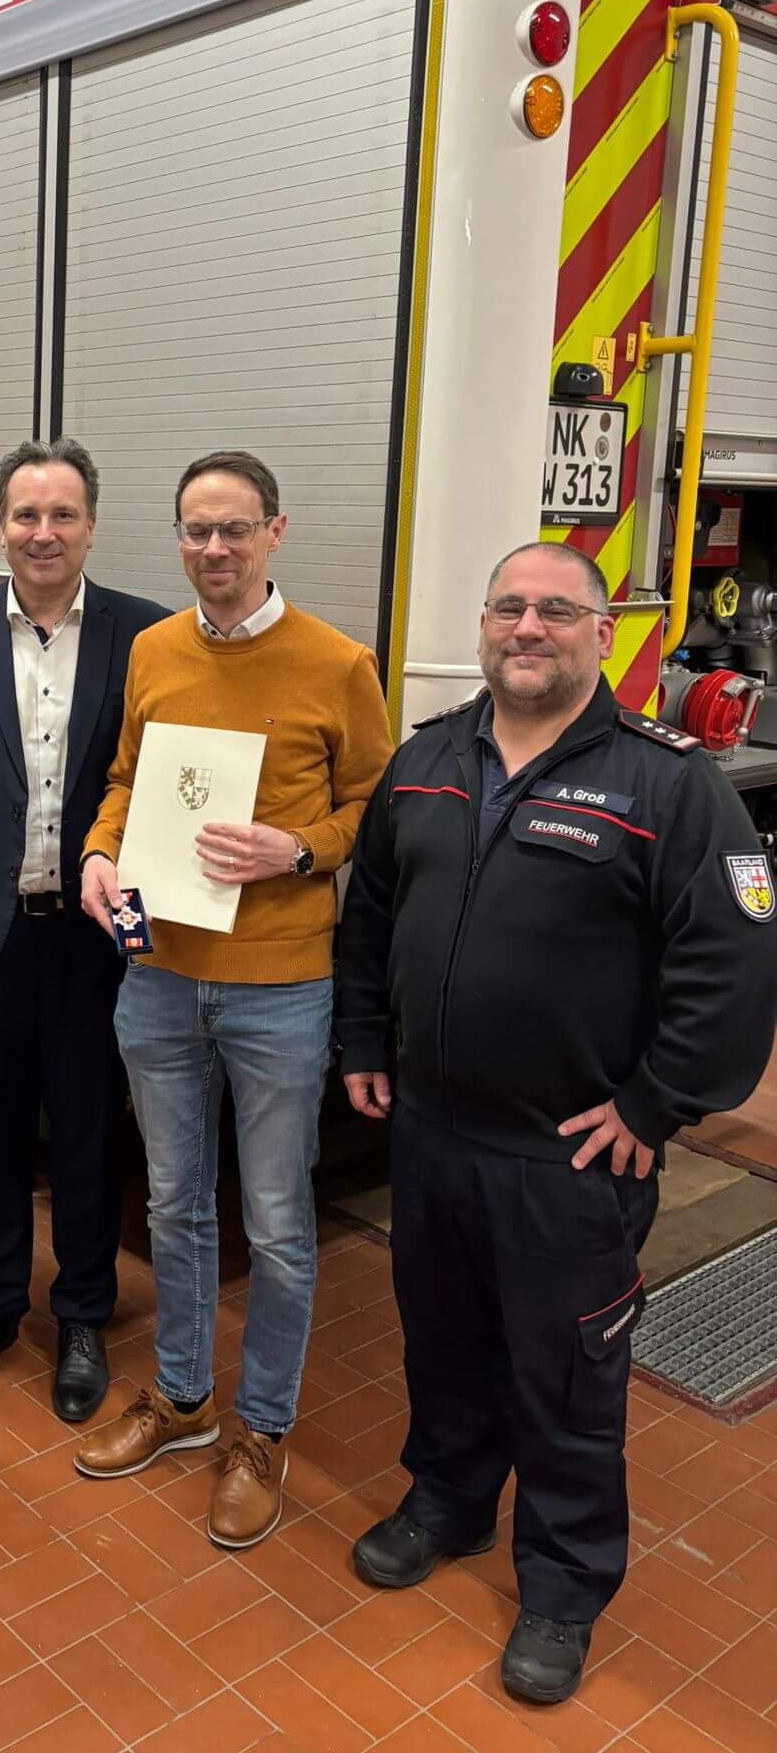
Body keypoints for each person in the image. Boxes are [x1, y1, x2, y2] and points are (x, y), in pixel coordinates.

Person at [335, 541, 777, 1705]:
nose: (528, 627)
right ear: (485, 625)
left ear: (601, 632)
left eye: (556, 611)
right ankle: (449, 1500)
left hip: (568, 1156)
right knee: (443, 1344)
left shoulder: (670, 783)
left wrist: (653, 1102)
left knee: (566, 1381)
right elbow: (370, 908)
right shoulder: (427, 758)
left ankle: (567, 1582)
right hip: (431, 1136)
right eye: (509, 608)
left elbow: (734, 967)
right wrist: (362, 1037)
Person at [75, 450, 394, 1550]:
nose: (215, 548)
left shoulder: (339, 664)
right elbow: (127, 776)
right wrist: (100, 851)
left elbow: (377, 808)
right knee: (172, 1203)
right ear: (179, 539)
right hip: (159, 973)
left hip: (279, 989)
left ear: (275, 532)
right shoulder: (155, 649)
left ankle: (260, 1428)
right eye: (197, 530)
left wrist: (297, 848)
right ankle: (181, 1398)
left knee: (278, 1222)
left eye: (236, 528)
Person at [0, 440, 167, 1422]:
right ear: (1, 524)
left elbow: (157, 790)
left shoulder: (149, 634)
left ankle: (84, 1314)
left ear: (91, 524)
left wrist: (146, 944)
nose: (43, 532)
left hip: (97, 939)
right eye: (26, 514)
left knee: (92, 1135)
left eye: (62, 514)